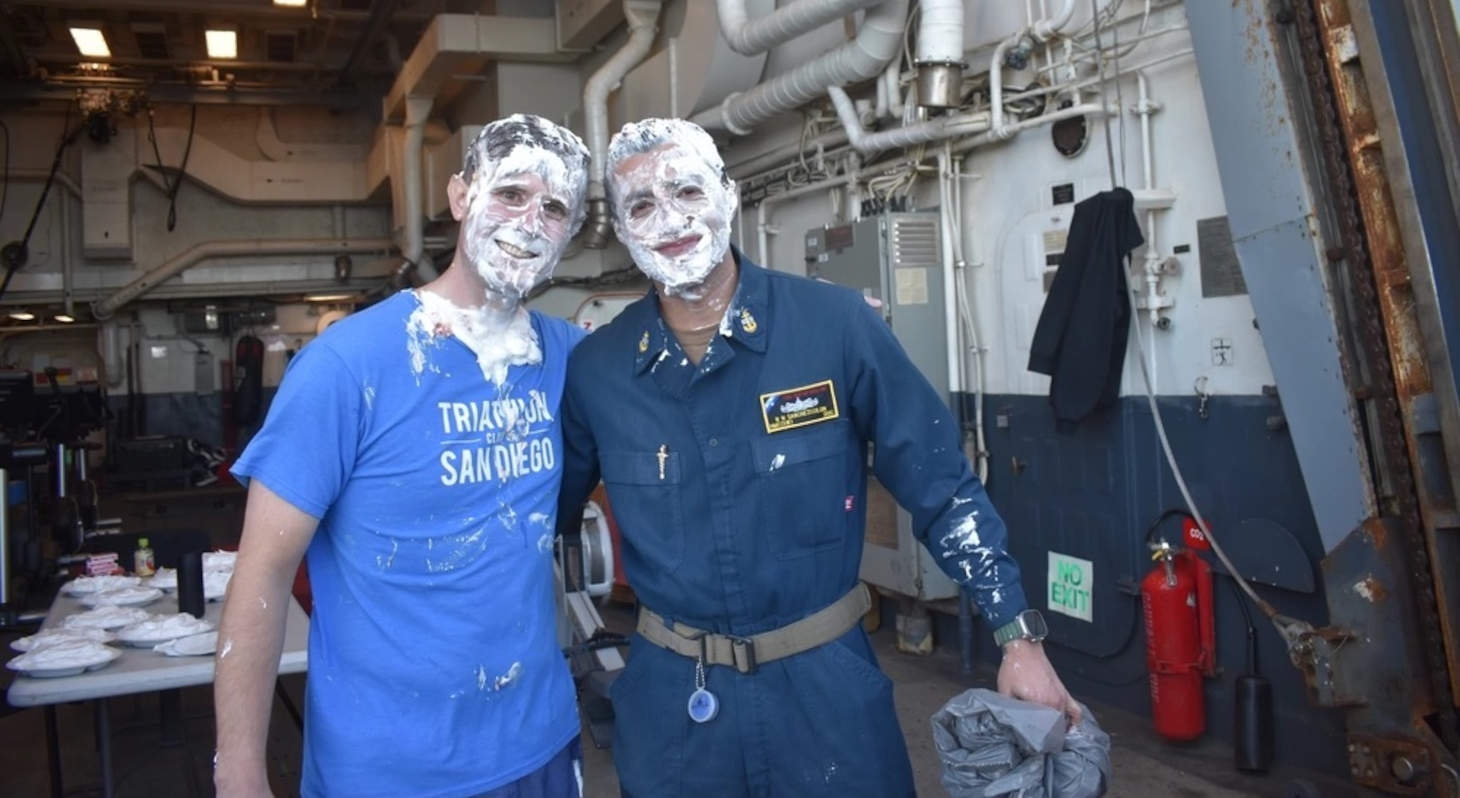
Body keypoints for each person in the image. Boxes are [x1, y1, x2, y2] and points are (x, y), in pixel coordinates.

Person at [558, 117, 1079, 798]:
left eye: (686, 191)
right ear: (623, 233)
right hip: (672, 710)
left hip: (826, 693)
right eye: (643, 206)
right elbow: (543, 520)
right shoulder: (597, 369)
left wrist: (1019, 636)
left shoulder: (836, 327)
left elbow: (942, 489)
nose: (670, 220)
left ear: (729, 195)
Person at [214, 114, 592, 798]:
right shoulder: (346, 364)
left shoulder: (568, 358)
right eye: (511, 193)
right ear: (458, 196)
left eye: (556, 206)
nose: (531, 220)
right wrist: (239, 772)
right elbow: (263, 573)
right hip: (390, 768)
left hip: (539, 744)